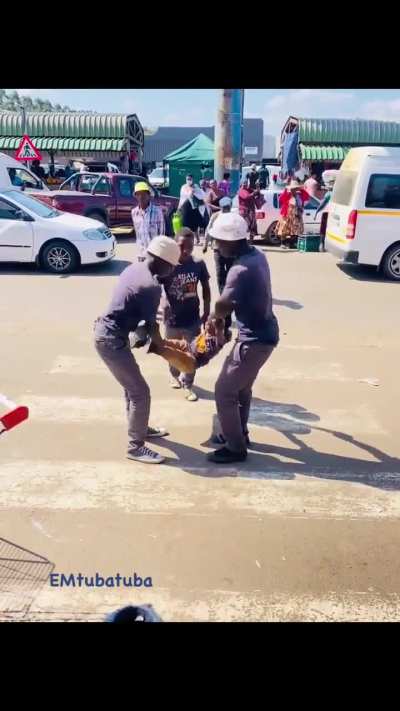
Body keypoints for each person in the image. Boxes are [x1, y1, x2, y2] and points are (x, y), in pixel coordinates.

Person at [94, 236, 180, 465]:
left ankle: (139, 427)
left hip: (110, 334)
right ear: (163, 262)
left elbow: (136, 309)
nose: (172, 271)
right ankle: (135, 447)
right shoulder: (150, 285)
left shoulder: (136, 268)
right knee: (140, 392)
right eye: (172, 267)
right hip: (111, 340)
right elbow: (153, 328)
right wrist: (169, 350)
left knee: (131, 388)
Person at [207, 212, 279, 464]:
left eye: (219, 241)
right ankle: (241, 432)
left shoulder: (239, 269)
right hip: (267, 333)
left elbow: (223, 304)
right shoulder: (257, 255)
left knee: (223, 390)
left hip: (254, 340)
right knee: (242, 388)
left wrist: (212, 319)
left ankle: (235, 447)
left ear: (231, 241)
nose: (216, 246)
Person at [161, 228, 211, 401]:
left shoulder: (198, 264)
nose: (185, 250)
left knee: (193, 353)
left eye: (189, 247)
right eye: (182, 246)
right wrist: (160, 305)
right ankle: (174, 375)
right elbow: (155, 286)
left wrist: (207, 310)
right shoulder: (167, 264)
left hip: (192, 319)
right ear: (175, 244)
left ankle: (188, 385)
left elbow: (205, 287)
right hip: (172, 319)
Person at [203, 197, 234, 340]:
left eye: (227, 207)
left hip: (231, 252)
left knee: (231, 278)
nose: (225, 210)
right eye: (224, 208)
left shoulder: (234, 217)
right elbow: (209, 230)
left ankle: (227, 300)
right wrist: (205, 244)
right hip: (218, 251)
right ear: (221, 207)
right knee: (221, 278)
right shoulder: (215, 217)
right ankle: (225, 303)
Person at [131, 181, 165, 261]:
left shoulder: (157, 211)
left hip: (154, 254)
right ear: (135, 196)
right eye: (138, 194)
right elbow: (138, 234)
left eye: (143, 194)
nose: (141, 197)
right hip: (141, 254)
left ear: (149, 195)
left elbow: (162, 234)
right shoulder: (134, 212)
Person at [277, 179, 310, 250]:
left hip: (296, 215)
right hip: (287, 214)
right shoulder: (287, 194)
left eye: (296, 188)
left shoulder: (300, 195)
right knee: (284, 229)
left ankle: (291, 244)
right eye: (293, 188)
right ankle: (283, 243)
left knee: (295, 230)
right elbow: (280, 199)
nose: (294, 190)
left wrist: (301, 189)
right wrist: (286, 190)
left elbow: (307, 196)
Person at [238, 176, 264, 241]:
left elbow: (257, 193)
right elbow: (246, 197)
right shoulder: (241, 191)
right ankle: (242, 241)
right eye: (244, 183)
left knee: (253, 227)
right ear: (241, 184)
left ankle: (251, 241)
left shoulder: (249, 189)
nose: (245, 184)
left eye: (246, 183)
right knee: (244, 227)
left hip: (251, 211)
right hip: (244, 212)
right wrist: (253, 193)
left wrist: (258, 186)